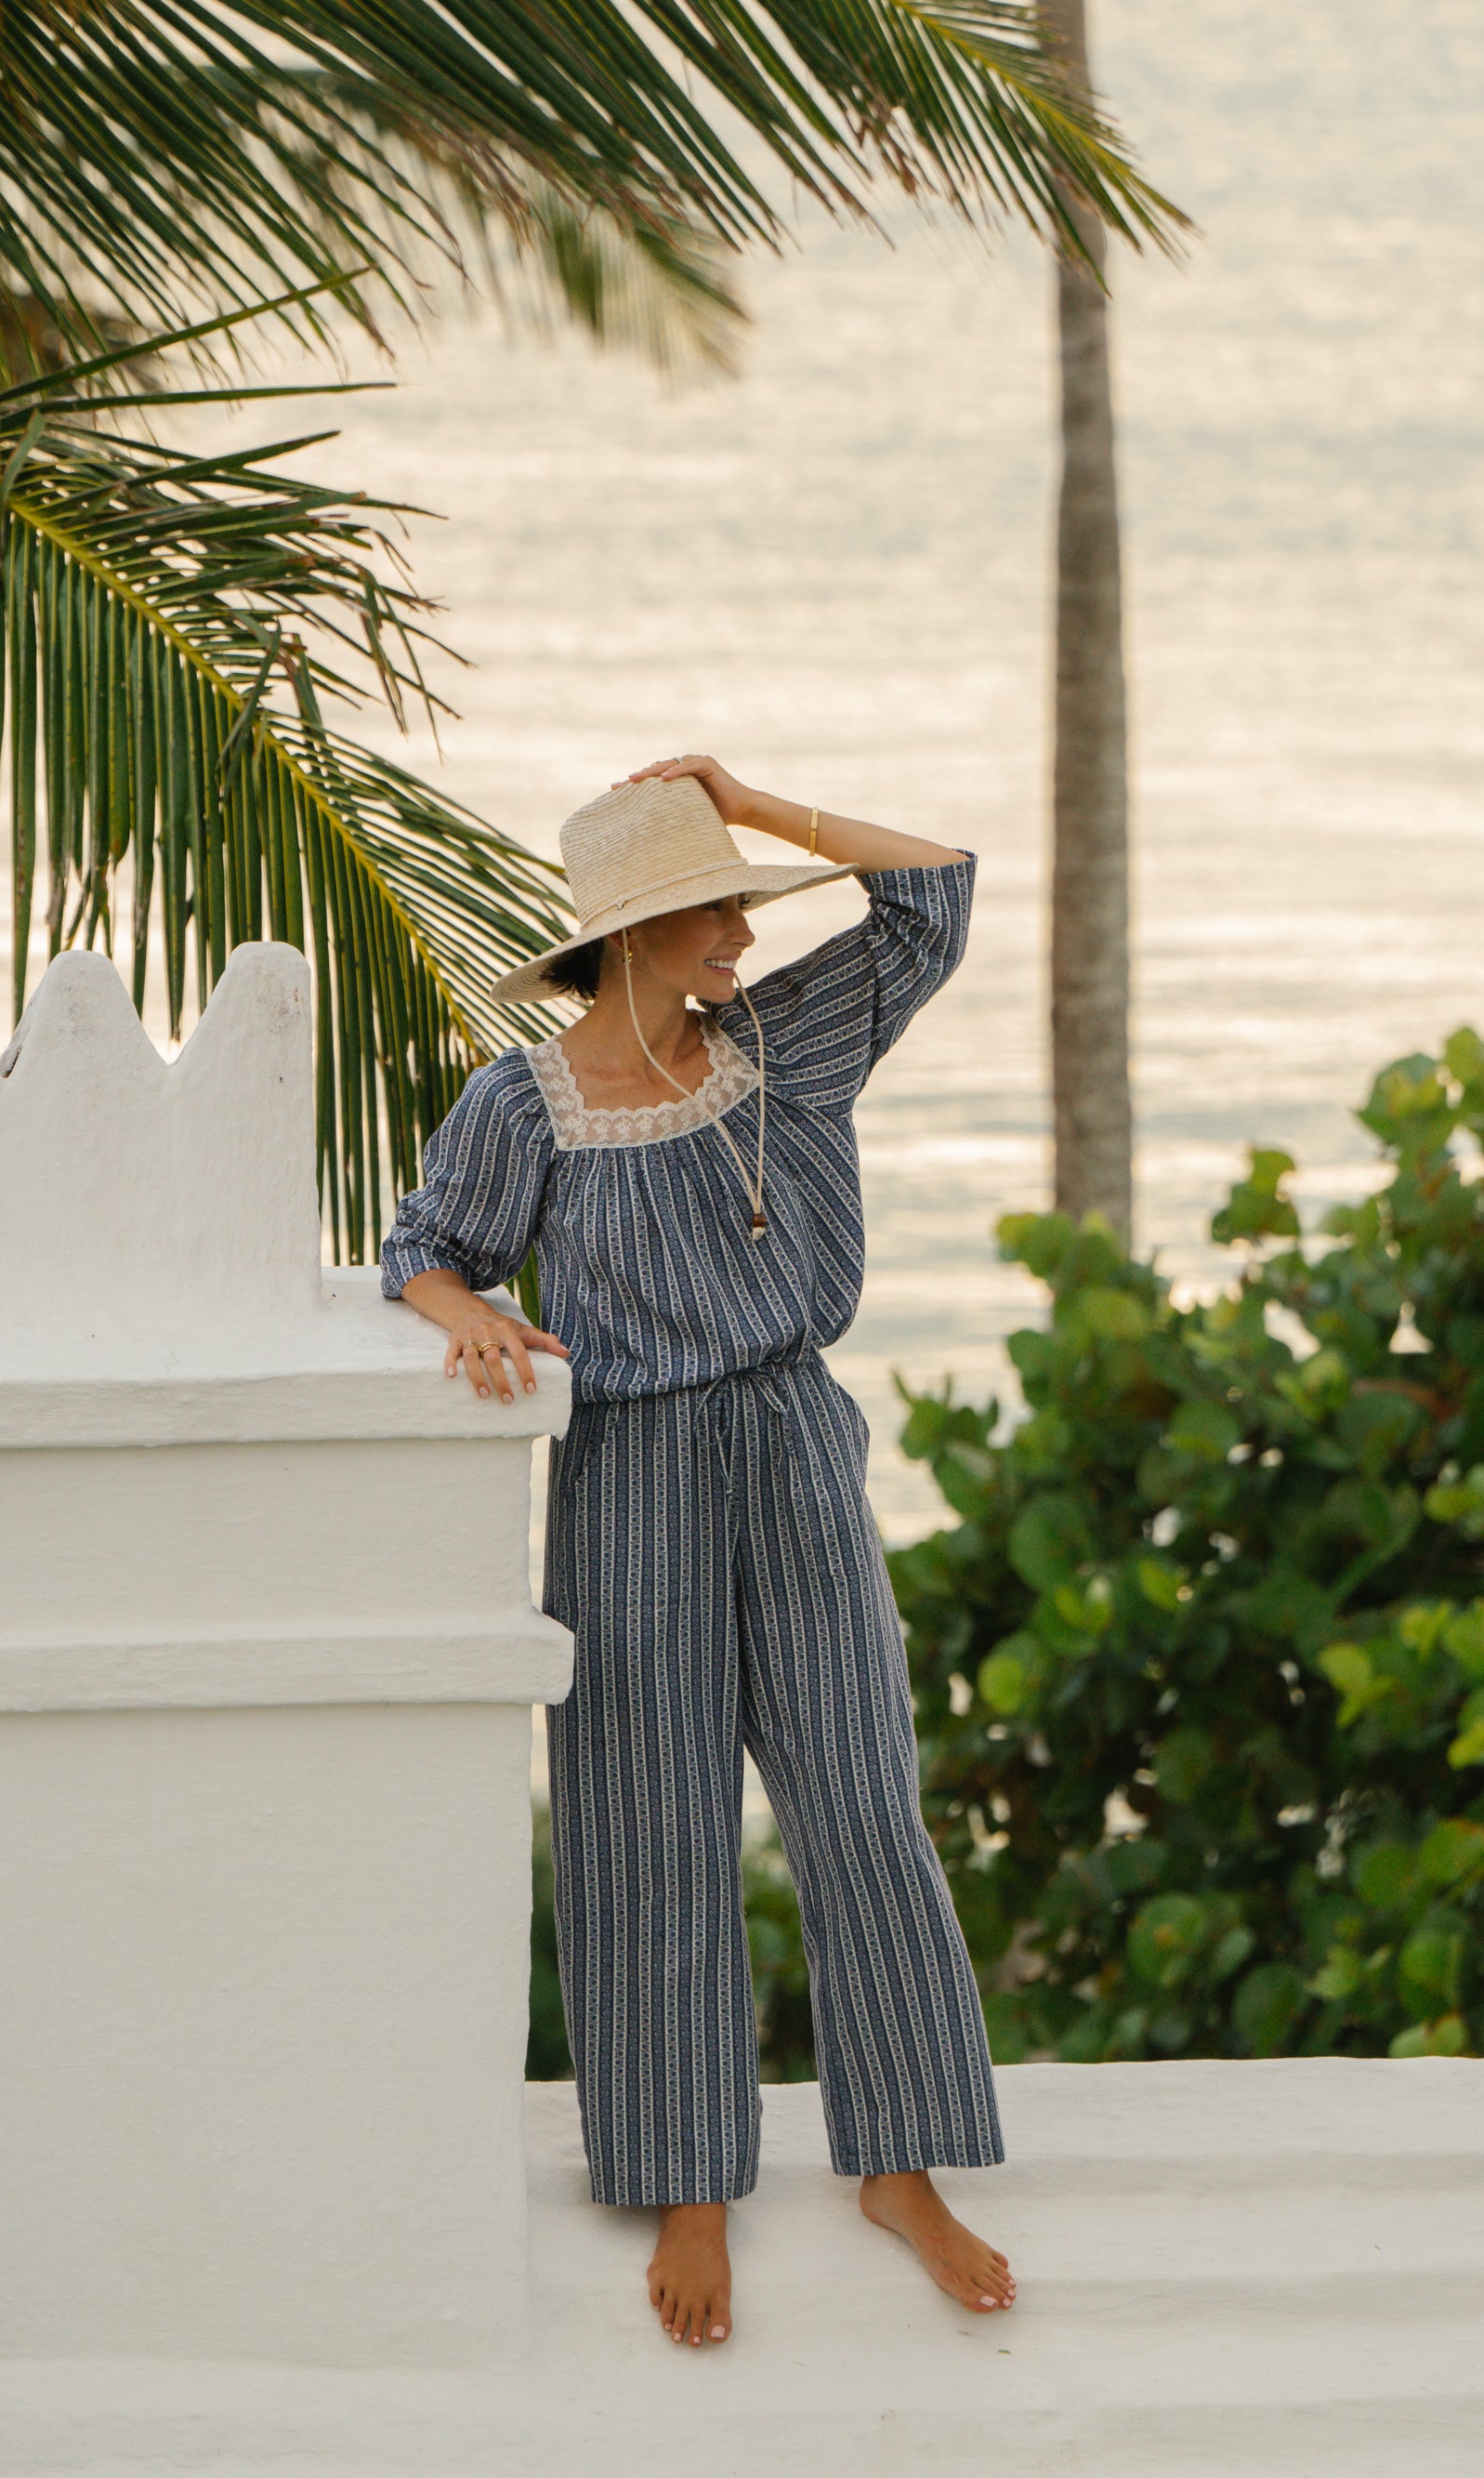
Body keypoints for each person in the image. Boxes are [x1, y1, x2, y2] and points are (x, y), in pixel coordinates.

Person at [381, 751, 1013, 2352]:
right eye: (714, 906)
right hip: (629, 1469)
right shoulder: (519, 1104)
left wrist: (755, 801)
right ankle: (684, 2185)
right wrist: (466, 1317)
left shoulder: (787, 1043)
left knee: (860, 1794)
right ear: (636, 934)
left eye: (740, 902)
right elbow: (425, 1248)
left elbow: (934, 892)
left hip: (793, 1439)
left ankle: (900, 2167)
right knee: (645, 1822)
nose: (742, 928)